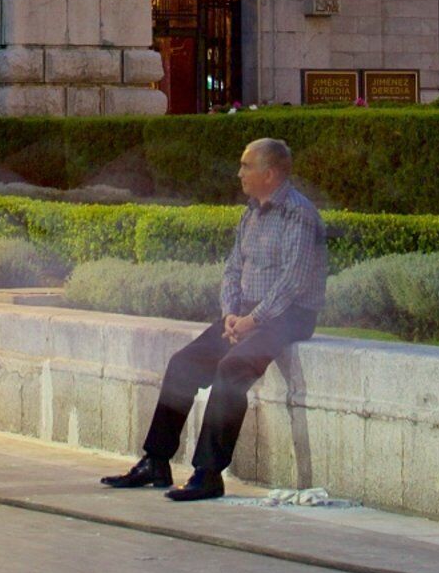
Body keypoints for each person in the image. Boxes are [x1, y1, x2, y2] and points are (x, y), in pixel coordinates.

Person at [102, 137, 325, 502]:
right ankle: (156, 461)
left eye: (246, 166)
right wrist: (230, 314)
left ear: (270, 174)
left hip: (288, 316)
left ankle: (208, 474)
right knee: (183, 364)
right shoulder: (251, 213)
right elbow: (233, 268)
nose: (239, 173)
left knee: (232, 368)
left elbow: (293, 281)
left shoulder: (298, 214)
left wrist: (253, 320)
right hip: (246, 315)